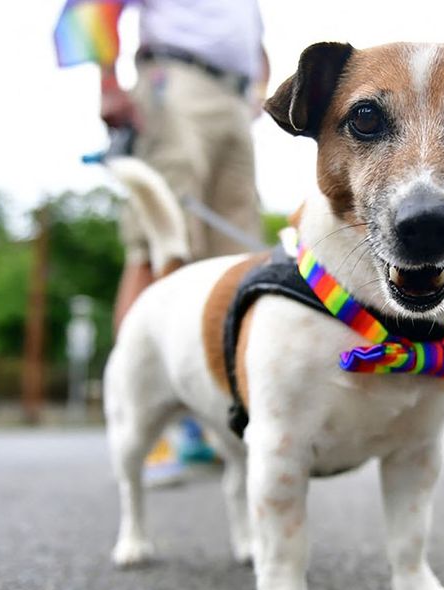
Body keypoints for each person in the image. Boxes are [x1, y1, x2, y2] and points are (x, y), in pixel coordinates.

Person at [55, 0, 270, 480]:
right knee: (160, 243)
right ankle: (143, 421)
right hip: (172, 82)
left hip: (234, 102)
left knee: (237, 267)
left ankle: (215, 420)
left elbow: (254, 39)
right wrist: (109, 83)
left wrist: (257, 89)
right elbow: (94, 6)